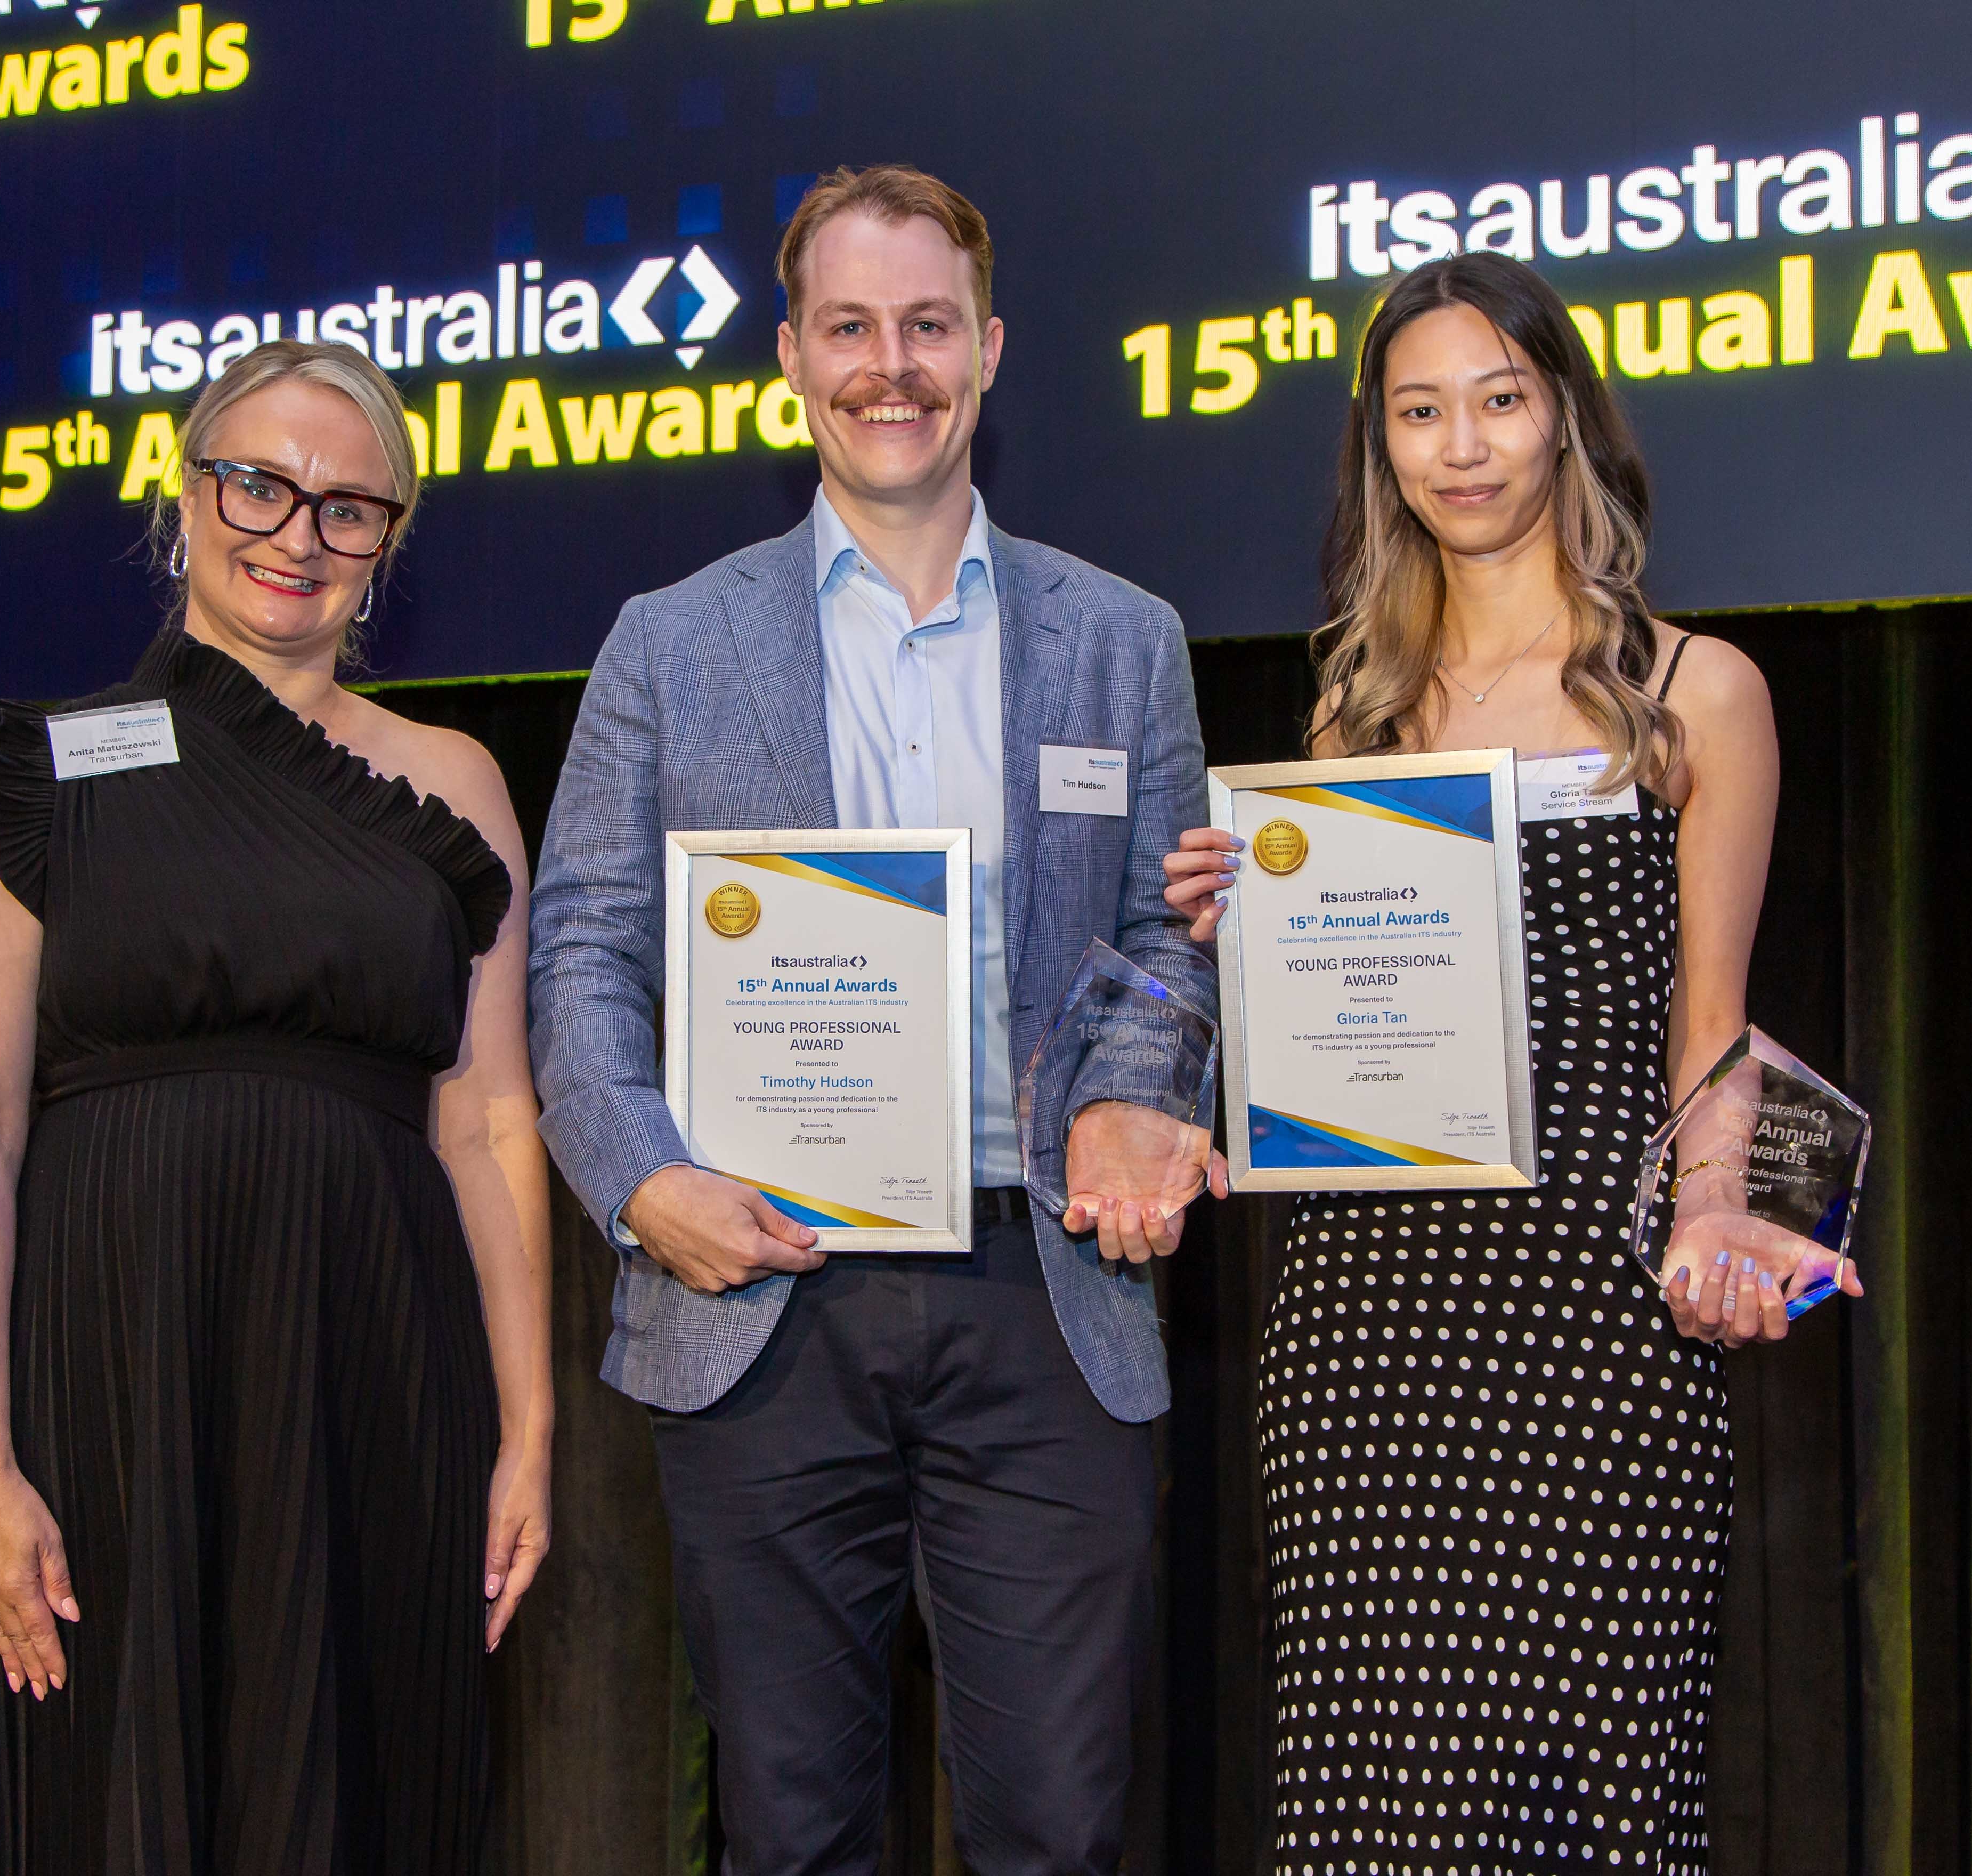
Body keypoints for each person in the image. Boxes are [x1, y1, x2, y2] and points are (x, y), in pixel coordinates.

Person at [527, 166, 1217, 1874]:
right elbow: (583, 955)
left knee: (1059, 1830)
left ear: (988, 352)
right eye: (850, 327)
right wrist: (641, 1182)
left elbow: (1168, 936)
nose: (888, 365)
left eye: (926, 326)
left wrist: (1131, 1091)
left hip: (1043, 1295)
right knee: (788, 1834)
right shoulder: (668, 647)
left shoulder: (1123, 641)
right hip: (765, 1298)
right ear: (789, 357)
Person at [1163, 252, 1861, 1873]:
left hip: (1590, 1338)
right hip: (1362, 1340)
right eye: (1420, 411)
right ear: (1380, 447)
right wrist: (1226, 928)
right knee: (1372, 1813)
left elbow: (1714, 1035)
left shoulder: (1696, 698)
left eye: (1497, 400)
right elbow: (1324, 1051)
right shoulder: (1351, 726)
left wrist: (1725, 1229)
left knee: (1594, 1804)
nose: (1461, 446)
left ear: (1562, 421)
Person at [0, 341, 552, 1872]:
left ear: (390, 541)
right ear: (185, 499)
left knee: (359, 1783)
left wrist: (529, 1428)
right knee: (115, 1782)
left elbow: (491, 1124)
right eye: (258, 484)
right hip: (116, 1356)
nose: (296, 534)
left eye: (348, 507)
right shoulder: (36, 771)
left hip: (375, 1364)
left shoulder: (456, 785)